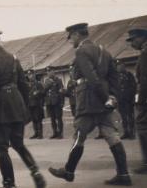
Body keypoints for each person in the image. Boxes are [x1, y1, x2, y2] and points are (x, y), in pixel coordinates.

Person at [48, 23, 132, 186]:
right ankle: (123, 174)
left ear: (77, 35)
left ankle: (69, 171)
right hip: (104, 101)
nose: (70, 40)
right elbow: (113, 76)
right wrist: (112, 97)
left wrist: (104, 97)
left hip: (88, 100)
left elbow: (91, 77)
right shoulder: (103, 51)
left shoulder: (81, 51)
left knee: (79, 136)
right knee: (112, 136)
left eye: (71, 37)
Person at [0, 30, 46, 188]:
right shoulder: (13, 58)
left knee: (1, 147)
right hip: (17, 104)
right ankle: (35, 172)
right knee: (18, 144)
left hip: (2, 107)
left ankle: (9, 183)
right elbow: (24, 85)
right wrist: (24, 107)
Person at [126, 28, 147, 174]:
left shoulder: (145, 53)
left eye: (133, 40)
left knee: (143, 128)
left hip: (146, 100)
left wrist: (141, 100)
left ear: (142, 38)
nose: (132, 43)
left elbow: (145, 79)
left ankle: (146, 164)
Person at [116, 61, 137, 139]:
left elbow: (133, 86)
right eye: (118, 66)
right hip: (120, 100)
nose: (119, 68)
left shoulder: (129, 75)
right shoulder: (116, 76)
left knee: (130, 116)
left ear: (124, 67)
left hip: (128, 100)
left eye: (121, 66)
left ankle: (132, 133)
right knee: (123, 117)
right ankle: (126, 132)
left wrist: (130, 96)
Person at [44, 68, 65, 139]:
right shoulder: (46, 81)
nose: (48, 73)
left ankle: (60, 133)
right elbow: (44, 91)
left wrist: (62, 102)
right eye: (47, 72)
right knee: (52, 119)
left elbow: (61, 92)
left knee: (59, 118)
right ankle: (55, 132)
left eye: (50, 71)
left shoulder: (58, 80)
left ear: (53, 72)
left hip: (57, 102)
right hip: (49, 103)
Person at [27, 69, 45, 139]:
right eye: (29, 75)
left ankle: (40, 134)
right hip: (30, 104)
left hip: (37, 104)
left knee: (38, 119)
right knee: (33, 119)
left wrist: (38, 93)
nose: (30, 76)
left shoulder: (38, 83)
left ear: (34, 75)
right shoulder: (28, 84)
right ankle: (36, 133)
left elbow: (43, 92)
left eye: (31, 74)